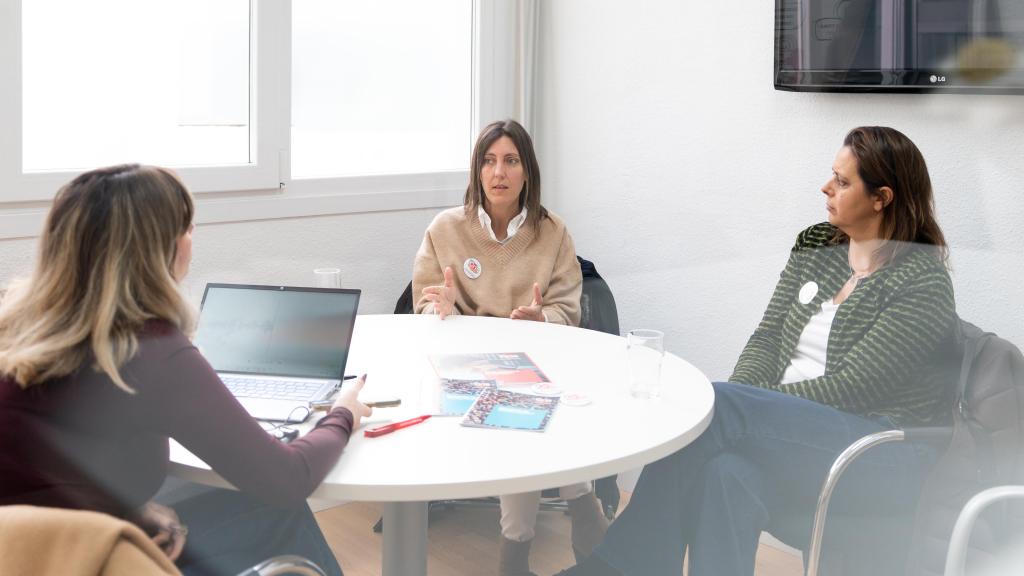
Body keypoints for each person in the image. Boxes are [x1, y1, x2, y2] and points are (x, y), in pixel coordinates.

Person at [556, 126, 957, 576]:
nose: (826, 187)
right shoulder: (816, 244)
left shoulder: (922, 281)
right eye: (832, 174)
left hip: (876, 451)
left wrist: (749, 409)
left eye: (843, 182)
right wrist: (747, 405)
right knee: (725, 472)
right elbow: (767, 337)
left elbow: (853, 387)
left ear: (881, 198)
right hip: (797, 433)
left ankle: (621, 566)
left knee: (716, 406)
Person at [0, 165, 372, 576]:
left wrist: (130, 511)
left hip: (22, 551)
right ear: (162, 247)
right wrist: (343, 413)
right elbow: (287, 478)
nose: (191, 240)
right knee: (281, 507)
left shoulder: (19, 326)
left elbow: (44, 468)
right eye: (188, 228)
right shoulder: (149, 347)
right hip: (85, 560)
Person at [413, 119, 606, 576]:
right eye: (489, 161)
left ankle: (515, 556)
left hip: (537, 365)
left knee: (523, 402)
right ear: (477, 170)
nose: (499, 172)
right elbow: (423, 306)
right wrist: (440, 308)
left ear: (527, 172)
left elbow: (568, 310)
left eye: (511, 161)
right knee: (518, 406)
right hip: (467, 369)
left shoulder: (553, 231)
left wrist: (543, 319)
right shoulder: (444, 229)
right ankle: (582, 506)